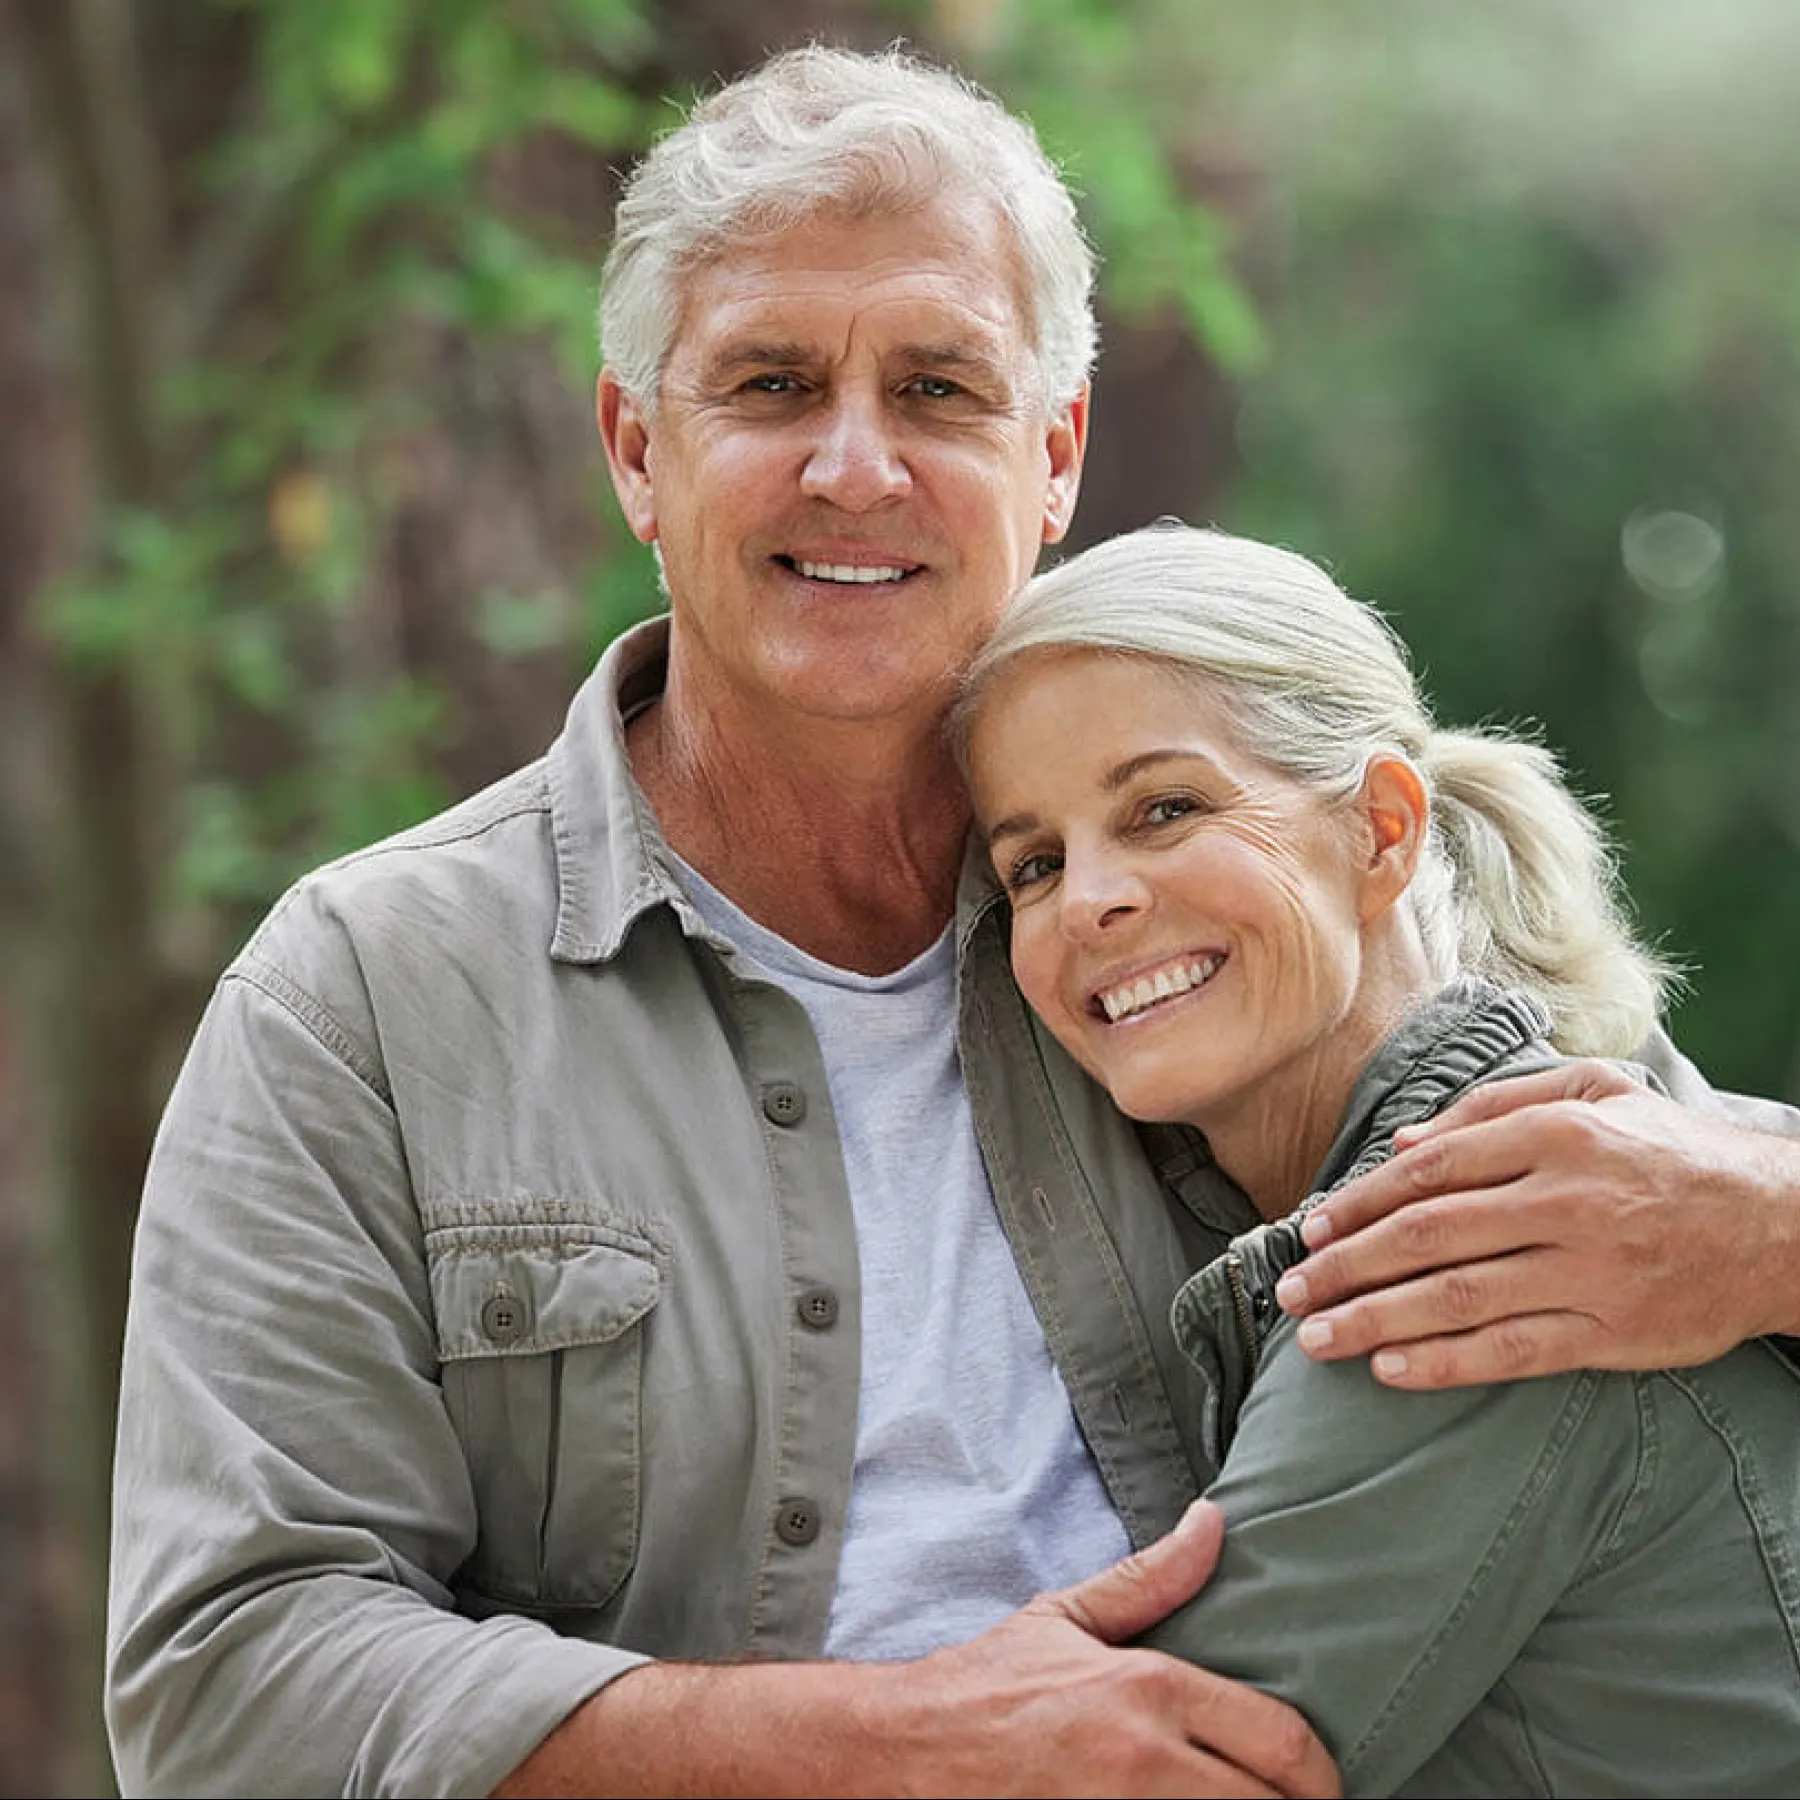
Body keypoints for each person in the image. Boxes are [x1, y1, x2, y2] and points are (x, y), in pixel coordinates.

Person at [101, 40, 1800, 1800]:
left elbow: (1646, 1199)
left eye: (937, 388)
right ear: (635, 450)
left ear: (1053, 457)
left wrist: (1770, 1220)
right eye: (771, 384)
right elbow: (226, 1681)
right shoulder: (365, 1001)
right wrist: (891, 1748)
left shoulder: (1242, 911)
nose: (856, 467)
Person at [953, 518, 1800, 1796]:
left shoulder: (1470, 1248)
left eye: (1166, 808)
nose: (1088, 901)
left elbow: (1166, 1772)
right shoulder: (1593, 1143)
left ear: (1384, 832)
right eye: (1034, 864)